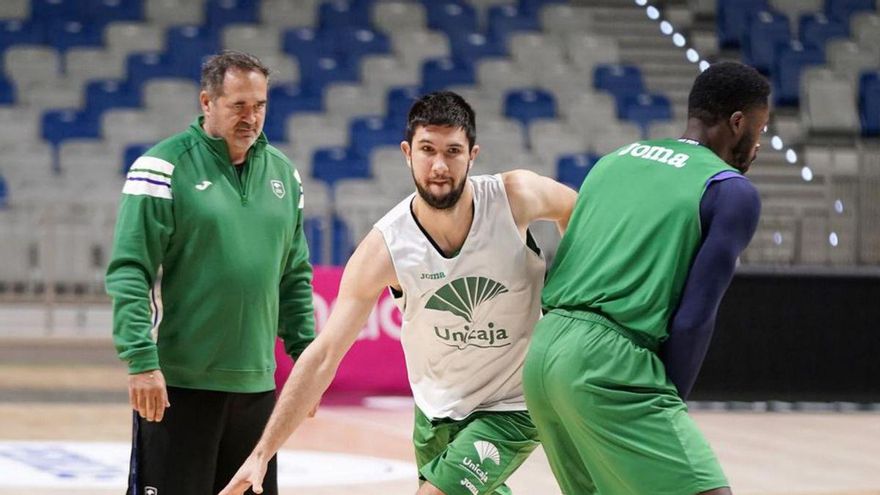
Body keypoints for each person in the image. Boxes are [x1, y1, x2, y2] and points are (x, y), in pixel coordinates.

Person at [219, 91, 577, 495]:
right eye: (428, 150)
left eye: (453, 151)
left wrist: (572, 296)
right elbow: (324, 355)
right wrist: (262, 452)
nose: (439, 166)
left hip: (515, 402)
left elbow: (577, 212)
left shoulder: (515, 197)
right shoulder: (386, 247)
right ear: (407, 152)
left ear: (472, 155)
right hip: (435, 408)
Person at [521, 61, 770, 495]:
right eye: (760, 130)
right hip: (607, 363)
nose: (759, 144)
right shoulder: (731, 192)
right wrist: (666, 405)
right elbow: (695, 316)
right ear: (737, 123)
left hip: (543, 353)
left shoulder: (613, 160)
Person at [105, 50, 315, 495]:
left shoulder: (285, 175)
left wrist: (306, 359)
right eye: (238, 104)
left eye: (259, 105)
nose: (251, 117)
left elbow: (294, 274)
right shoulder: (161, 168)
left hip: (258, 390)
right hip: (180, 386)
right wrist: (141, 362)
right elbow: (129, 271)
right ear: (207, 101)